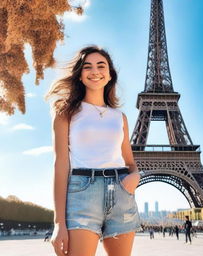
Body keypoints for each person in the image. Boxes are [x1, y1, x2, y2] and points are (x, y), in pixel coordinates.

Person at [45, 45, 141, 256]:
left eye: (101, 65)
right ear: (80, 75)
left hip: (121, 193)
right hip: (82, 192)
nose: (95, 71)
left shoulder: (120, 117)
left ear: (109, 75)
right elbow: (60, 164)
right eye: (87, 67)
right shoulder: (65, 111)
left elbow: (130, 162)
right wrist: (58, 223)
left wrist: (134, 177)